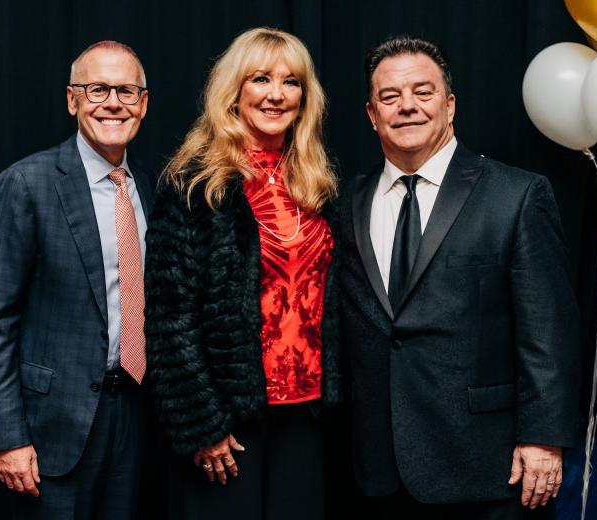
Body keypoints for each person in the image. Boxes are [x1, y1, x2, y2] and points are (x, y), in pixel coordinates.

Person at [340, 36, 581, 519]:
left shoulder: (516, 195)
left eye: (423, 92)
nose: (407, 106)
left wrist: (543, 438)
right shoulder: (346, 201)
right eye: (390, 97)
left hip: (486, 465)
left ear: (449, 105)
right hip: (375, 468)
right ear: (371, 114)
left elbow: (548, 329)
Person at [143, 27, 341, 520]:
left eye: (290, 82)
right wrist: (201, 424)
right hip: (228, 417)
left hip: (307, 413)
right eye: (260, 79)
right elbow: (170, 319)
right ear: (233, 92)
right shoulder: (195, 183)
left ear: (304, 97)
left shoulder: (318, 182)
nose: (276, 94)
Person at [0, 40, 155, 518]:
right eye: (98, 89)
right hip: (51, 429)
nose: (112, 102)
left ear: (143, 104)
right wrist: (9, 437)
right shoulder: (27, 184)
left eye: (126, 91)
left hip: (135, 419)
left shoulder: (153, 189)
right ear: (72, 100)